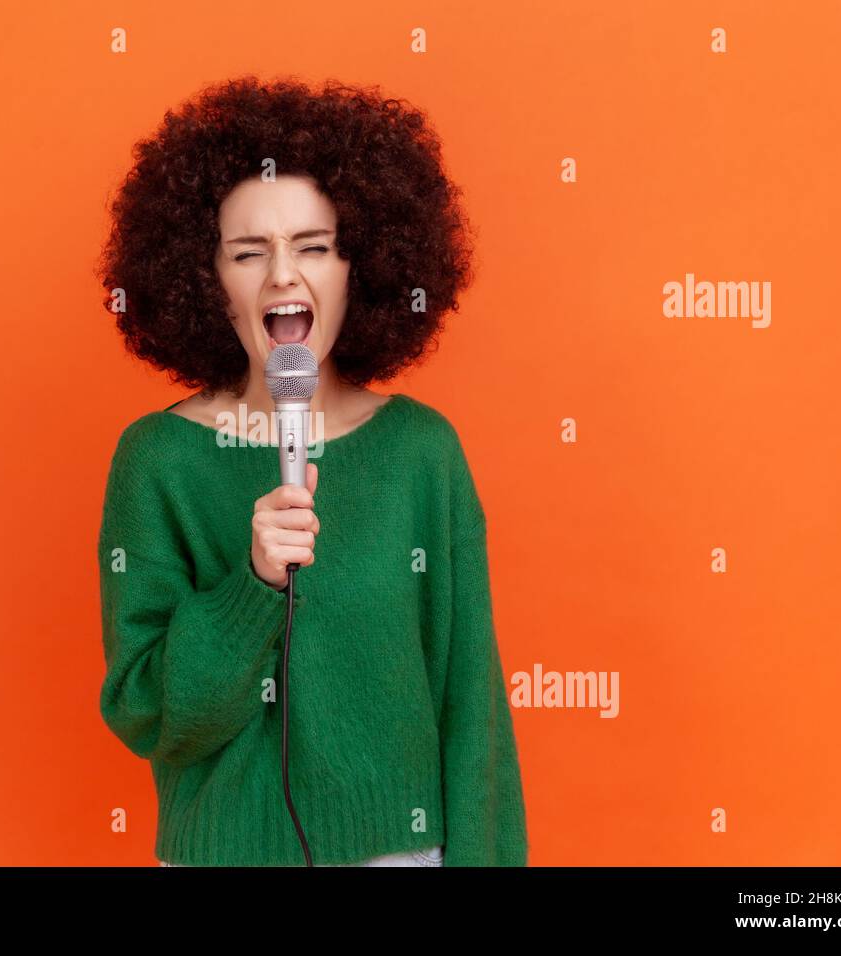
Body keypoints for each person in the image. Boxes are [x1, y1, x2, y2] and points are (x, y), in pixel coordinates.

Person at [95, 75, 527, 867]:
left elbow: (473, 710)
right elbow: (149, 712)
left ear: (357, 271)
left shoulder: (421, 454)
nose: (284, 277)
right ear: (209, 284)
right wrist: (252, 585)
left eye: (314, 247)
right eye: (248, 252)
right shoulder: (156, 461)